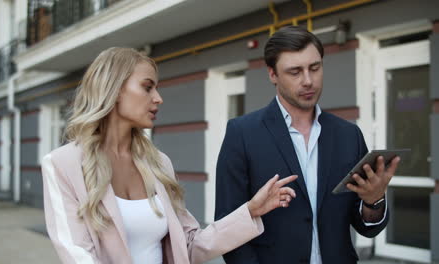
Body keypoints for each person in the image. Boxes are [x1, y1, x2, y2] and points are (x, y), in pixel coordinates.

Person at [41, 47, 298, 264]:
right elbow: (78, 255)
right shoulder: (63, 165)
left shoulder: (158, 163)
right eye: (147, 87)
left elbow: (190, 246)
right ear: (114, 89)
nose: (158, 99)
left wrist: (251, 210)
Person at [214, 26, 401, 264]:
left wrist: (373, 201)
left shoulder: (348, 135)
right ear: (272, 74)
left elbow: (367, 228)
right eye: (295, 72)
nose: (308, 81)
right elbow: (228, 225)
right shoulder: (241, 133)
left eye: (315, 67)